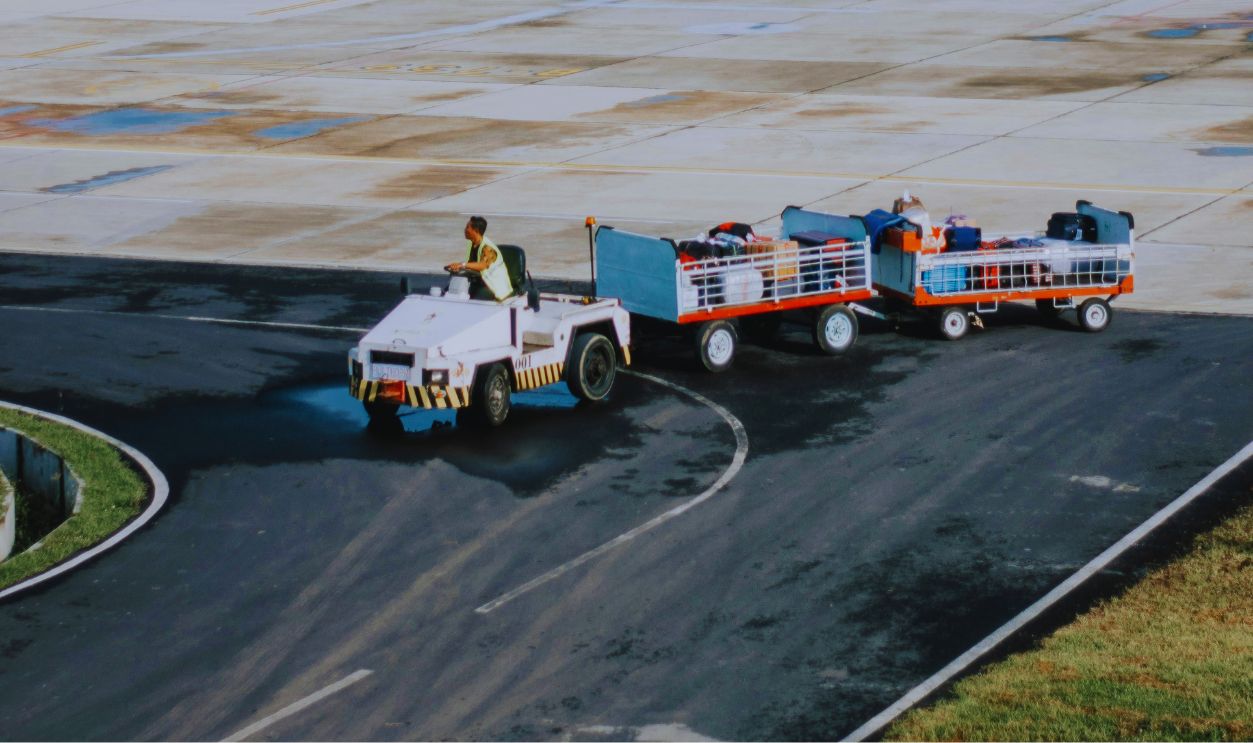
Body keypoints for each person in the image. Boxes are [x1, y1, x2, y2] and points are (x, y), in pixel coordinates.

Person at [445, 215, 513, 301]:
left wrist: (462, 265)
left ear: (476, 230)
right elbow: (471, 264)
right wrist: (458, 266)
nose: (465, 230)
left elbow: (482, 265)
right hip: (479, 280)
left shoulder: (487, 248)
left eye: (467, 227)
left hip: (494, 286)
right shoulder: (472, 243)